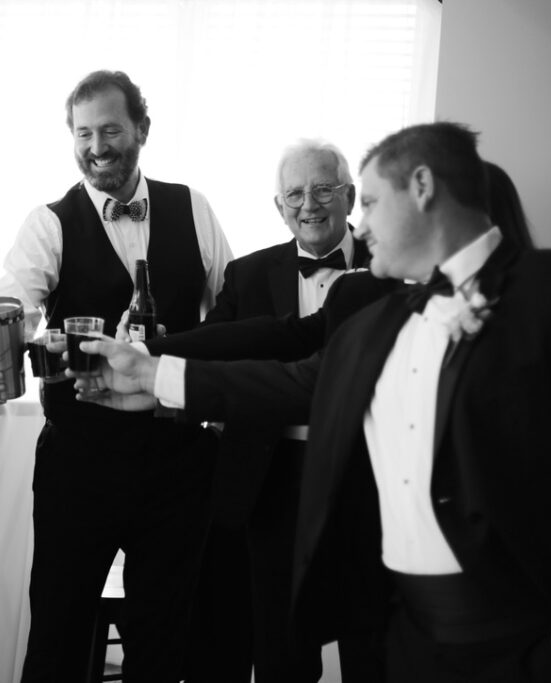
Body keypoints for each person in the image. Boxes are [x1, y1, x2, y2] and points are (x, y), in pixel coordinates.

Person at [77, 122, 551, 683]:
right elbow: (288, 380)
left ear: (422, 186)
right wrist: (153, 372)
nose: (364, 222)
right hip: (405, 625)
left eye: (371, 201)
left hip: (520, 619)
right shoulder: (372, 321)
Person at [0, 69, 233, 682]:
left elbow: (233, 306)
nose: (97, 147)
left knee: (163, 634)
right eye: (84, 133)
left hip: (178, 459)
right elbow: (13, 300)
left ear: (142, 129)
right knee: (59, 631)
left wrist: (214, 398)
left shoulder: (191, 206)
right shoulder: (49, 222)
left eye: (111, 129)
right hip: (80, 463)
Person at [183, 139, 372, 683]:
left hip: (366, 474)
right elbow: (213, 344)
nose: (308, 205)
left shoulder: (394, 268)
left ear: (350, 196)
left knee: (371, 637)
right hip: (271, 477)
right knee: (280, 645)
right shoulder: (247, 274)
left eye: (323, 190)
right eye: (295, 194)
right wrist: (153, 351)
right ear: (278, 206)